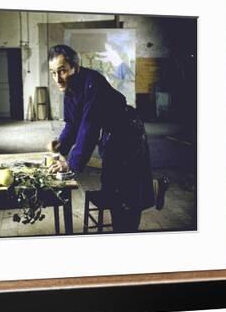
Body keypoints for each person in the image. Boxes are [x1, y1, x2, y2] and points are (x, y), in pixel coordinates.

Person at [46, 44, 168, 232]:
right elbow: (72, 123)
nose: (57, 79)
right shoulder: (70, 90)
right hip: (111, 133)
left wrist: (70, 163)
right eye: (53, 73)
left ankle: (126, 232)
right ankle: (153, 187)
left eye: (62, 71)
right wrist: (61, 146)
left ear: (75, 67)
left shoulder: (93, 82)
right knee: (111, 183)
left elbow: (89, 127)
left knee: (126, 190)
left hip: (128, 131)